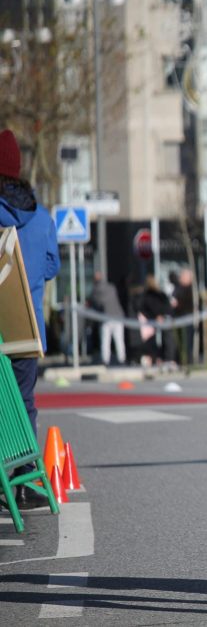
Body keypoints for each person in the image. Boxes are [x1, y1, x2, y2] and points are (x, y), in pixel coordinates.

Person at [0, 129, 60, 509]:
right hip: (27, 326)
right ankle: (22, 484)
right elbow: (52, 265)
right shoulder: (40, 215)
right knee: (24, 403)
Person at [139, 275, 177, 370]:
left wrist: (157, 316)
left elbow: (146, 307)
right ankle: (166, 359)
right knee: (167, 339)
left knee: (159, 339)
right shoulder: (159, 294)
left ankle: (160, 358)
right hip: (160, 318)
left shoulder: (150, 295)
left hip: (156, 319)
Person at [89, 272, 126, 366]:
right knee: (119, 340)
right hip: (118, 316)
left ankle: (105, 360)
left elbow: (95, 304)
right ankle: (122, 359)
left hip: (105, 318)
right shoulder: (111, 288)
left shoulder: (96, 291)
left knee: (105, 341)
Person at [171, 268, 197, 365]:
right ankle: (181, 359)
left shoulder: (191, 290)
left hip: (187, 318)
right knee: (179, 340)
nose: (180, 278)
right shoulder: (178, 288)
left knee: (187, 340)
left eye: (183, 276)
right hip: (178, 318)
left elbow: (188, 303)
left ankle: (187, 360)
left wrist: (178, 304)